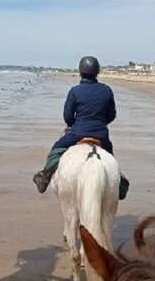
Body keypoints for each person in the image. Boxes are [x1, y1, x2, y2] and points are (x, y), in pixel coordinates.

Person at [33, 56, 129, 199]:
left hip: (77, 133)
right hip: (101, 135)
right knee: (110, 158)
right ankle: (120, 184)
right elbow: (112, 115)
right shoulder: (106, 90)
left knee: (56, 149)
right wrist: (101, 123)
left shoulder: (75, 91)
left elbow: (67, 116)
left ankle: (45, 175)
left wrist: (74, 125)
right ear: (97, 72)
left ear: (80, 72)